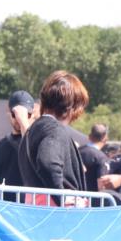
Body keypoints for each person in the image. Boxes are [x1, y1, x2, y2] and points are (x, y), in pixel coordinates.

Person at [17, 71, 89, 206]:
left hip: (38, 209)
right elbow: (47, 163)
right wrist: (62, 197)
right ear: (73, 106)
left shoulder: (33, 130)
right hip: (56, 213)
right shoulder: (54, 130)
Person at [0, 90, 36, 202]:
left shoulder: (39, 142)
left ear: (33, 115)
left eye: (27, 114)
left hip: (31, 210)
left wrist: (23, 123)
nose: (19, 119)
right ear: (9, 113)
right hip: (5, 211)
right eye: (15, 114)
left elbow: (33, 147)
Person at [78, 123, 111, 194]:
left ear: (89, 136)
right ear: (105, 138)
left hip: (73, 196)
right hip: (92, 200)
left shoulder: (77, 151)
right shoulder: (101, 157)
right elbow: (101, 185)